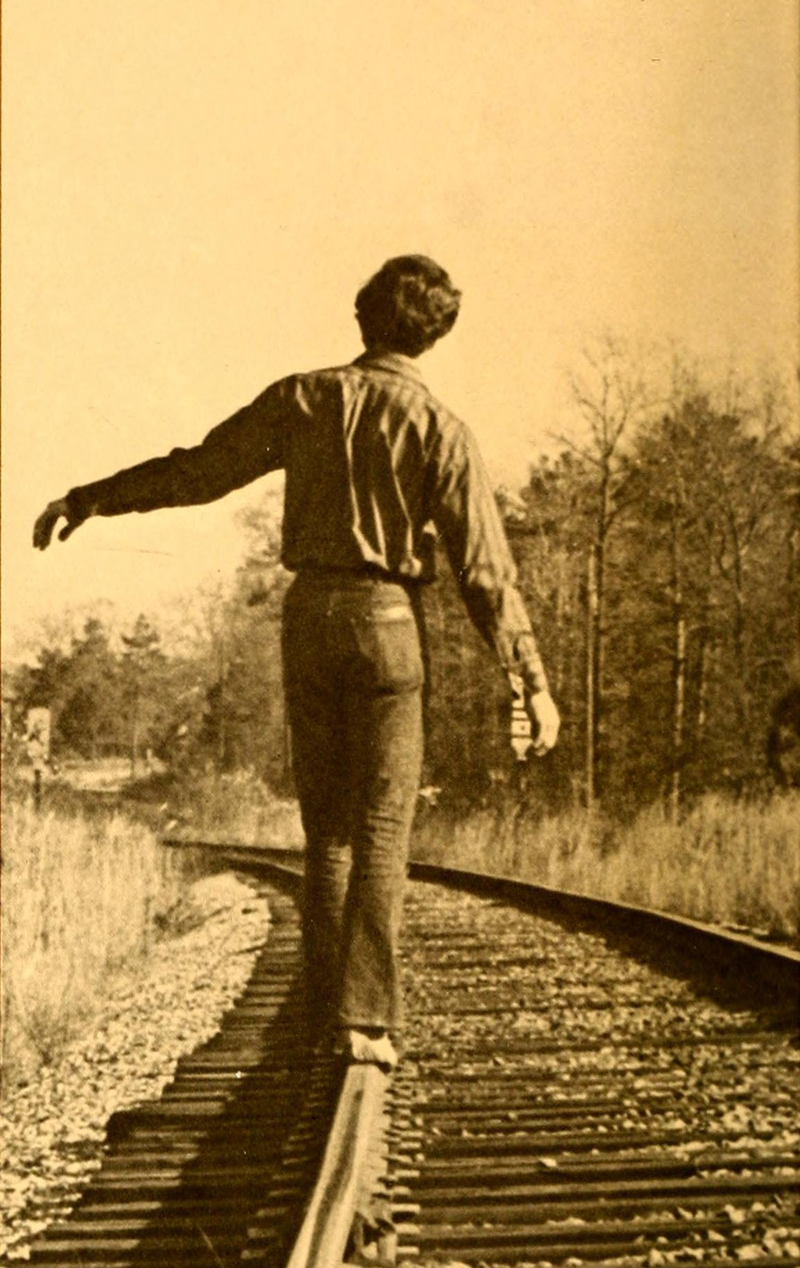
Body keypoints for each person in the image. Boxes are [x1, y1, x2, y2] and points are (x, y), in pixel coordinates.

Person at [34, 253, 559, 1067]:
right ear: (435, 333)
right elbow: (487, 573)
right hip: (389, 621)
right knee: (381, 826)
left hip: (310, 616)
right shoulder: (442, 429)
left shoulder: (303, 398)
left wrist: (89, 498)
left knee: (329, 832)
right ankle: (366, 1020)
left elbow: (199, 471)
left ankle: (323, 1019)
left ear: (363, 316)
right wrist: (531, 680)